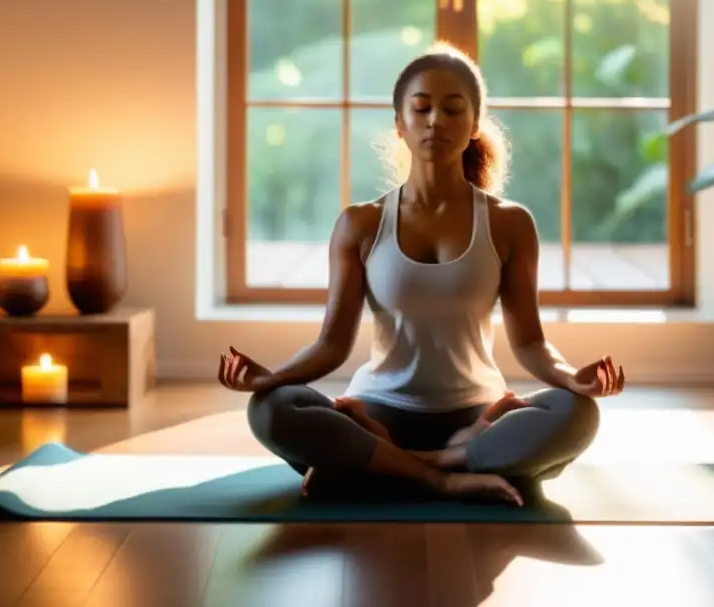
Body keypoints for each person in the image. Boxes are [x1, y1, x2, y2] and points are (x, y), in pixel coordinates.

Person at [218, 43, 624, 506]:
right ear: (400, 123)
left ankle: (380, 466)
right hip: (378, 411)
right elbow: (331, 344)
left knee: (577, 414)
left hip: (478, 413)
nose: (436, 121)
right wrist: (267, 380)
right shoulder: (362, 224)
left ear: (474, 126)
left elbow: (530, 343)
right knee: (272, 411)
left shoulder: (510, 223)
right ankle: (445, 474)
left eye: (453, 109)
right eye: (422, 107)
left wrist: (574, 379)